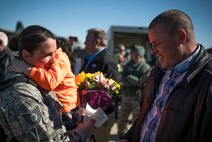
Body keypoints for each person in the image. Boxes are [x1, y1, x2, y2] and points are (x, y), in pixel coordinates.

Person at [117, 9, 212, 142]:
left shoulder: (208, 82)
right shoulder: (157, 72)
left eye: (157, 44)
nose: (152, 51)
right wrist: (128, 138)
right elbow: (146, 118)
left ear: (181, 37)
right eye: (151, 45)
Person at [0, 25, 95, 142]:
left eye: (54, 53)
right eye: (47, 55)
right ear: (26, 55)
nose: (54, 60)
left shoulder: (36, 71)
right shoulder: (21, 92)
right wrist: (81, 133)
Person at [80, 28, 119, 142]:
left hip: (101, 117)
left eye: (87, 39)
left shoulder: (107, 61)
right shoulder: (90, 59)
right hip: (90, 114)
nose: (84, 42)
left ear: (96, 42)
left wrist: (96, 114)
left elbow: (114, 91)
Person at [117, 45, 151, 138]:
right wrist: (133, 81)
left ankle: (135, 137)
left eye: (136, 53)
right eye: (133, 53)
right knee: (121, 121)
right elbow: (122, 80)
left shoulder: (146, 68)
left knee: (138, 121)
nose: (134, 55)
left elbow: (141, 82)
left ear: (140, 55)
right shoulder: (128, 65)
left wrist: (129, 77)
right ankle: (122, 137)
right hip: (126, 97)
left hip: (138, 99)